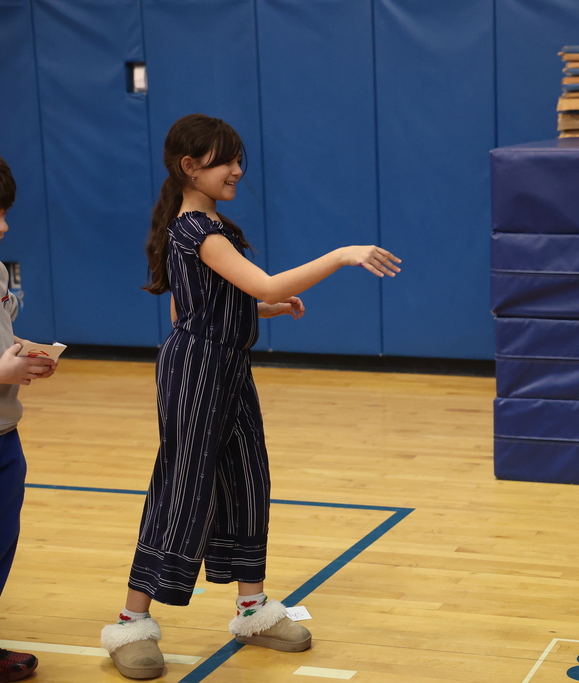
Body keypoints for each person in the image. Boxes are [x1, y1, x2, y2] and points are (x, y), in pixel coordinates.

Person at [100, 114, 401, 679]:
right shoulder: (197, 231)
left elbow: (193, 305)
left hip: (228, 366)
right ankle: (131, 622)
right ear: (190, 167)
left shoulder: (215, 227)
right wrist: (341, 255)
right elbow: (261, 282)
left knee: (247, 480)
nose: (238, 169)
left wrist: (259, 311)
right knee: (184, 489)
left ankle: (251, 608)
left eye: (238, 158)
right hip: (196, 371)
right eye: (224, 160)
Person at [0, 153, 60, 682]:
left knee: (1, 542)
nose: (3, 226)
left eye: (4, 212)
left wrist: (24, 357)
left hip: (4, 434)